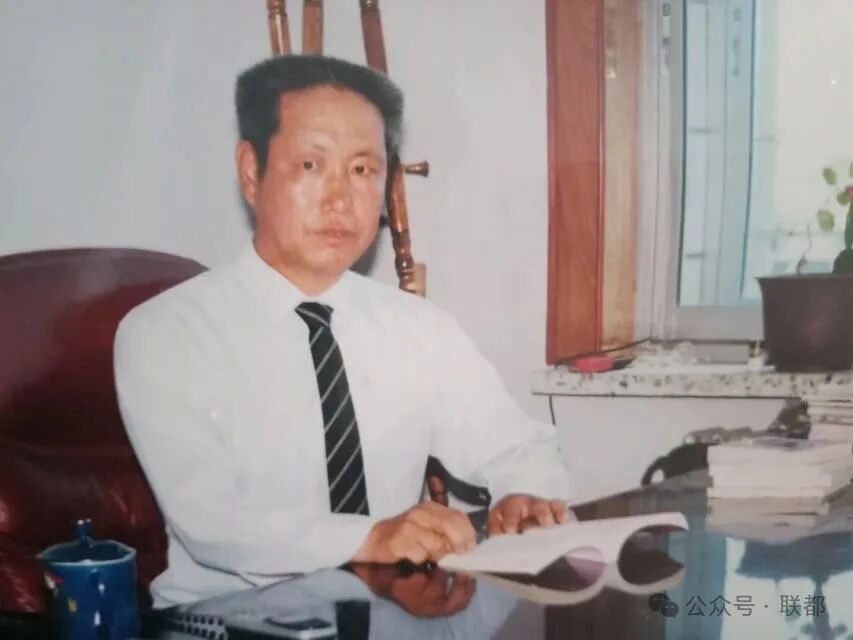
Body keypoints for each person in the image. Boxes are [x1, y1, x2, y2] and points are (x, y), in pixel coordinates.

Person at [114, 54, 572, 607]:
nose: (340, 199)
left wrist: (526, 494)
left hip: (394, 612)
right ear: (252, 171)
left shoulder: (419, 327)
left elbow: (515, 445)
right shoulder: (165, 334)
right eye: (311, 165)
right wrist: (370, 537)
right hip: (229, 621)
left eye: (362, 170)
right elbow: (213, 521)